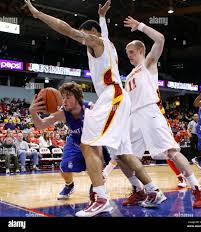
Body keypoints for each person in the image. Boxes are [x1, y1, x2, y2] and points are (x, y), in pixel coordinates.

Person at [26, 0, 167, 217]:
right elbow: (105, 33)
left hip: (113, 97)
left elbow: (66, 29)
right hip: (117, 99)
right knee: (123, 154)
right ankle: (153, 191)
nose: (83, 39)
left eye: (85, 34)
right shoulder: (107, 43)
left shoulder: (97, 41)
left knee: (88, 143)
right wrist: (102, 17)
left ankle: (101, 198)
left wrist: (39, 15)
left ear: (91, 32)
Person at [123, 15, 201, 208]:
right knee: (124, 157)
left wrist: (140, 26)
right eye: (127, 53)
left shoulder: (148, 64)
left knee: (171, 152)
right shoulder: (128, 76)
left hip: (150, 112)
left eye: (132, 52)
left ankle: (197, 189)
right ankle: (141, 190)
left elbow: (160, 39)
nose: (129, 55)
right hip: (133, 117)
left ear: (141, 51)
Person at [29, 81, 110, 200]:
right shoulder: (62, 113)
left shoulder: (90, 108)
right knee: (64, 167)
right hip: (75, 141)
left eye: (68, 97)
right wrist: (33, 112)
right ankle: (69, 185)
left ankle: (96, 186)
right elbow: (41, 125)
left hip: (93, 141)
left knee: (97, 166)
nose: (64, 100)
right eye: (62, 97)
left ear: (78, 98)